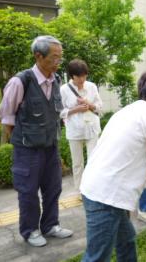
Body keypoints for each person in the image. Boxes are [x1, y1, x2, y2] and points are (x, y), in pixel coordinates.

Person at [80, 70, 146, 262]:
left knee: (126, 241)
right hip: (106, 196)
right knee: (97, 257)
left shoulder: (127, 110)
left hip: (100, 187)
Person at [0, 36, 73, 247]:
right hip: (27, 149)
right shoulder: (21, 81)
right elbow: (7, 117)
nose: (58, 61)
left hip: (51, 145)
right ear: (38, 56)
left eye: (60, 57)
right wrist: (22, 141)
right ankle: (30, 230)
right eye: (54, 57)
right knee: (28, 191)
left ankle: (50, 225)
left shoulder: (56, 80)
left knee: (54, 187)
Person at [60, 59, 103, 193]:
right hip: (74, 130)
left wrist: (89, 104)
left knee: (93, 161)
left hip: (91, 128)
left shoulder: (91, 86)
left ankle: (93, 189)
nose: (82, 79)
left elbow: (100, 108)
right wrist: (76, 109)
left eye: (84, 75)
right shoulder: (64, 90)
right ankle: (80, 191)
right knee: (77, 163)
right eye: (79, 76)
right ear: (72, 76)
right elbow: (60, 112)